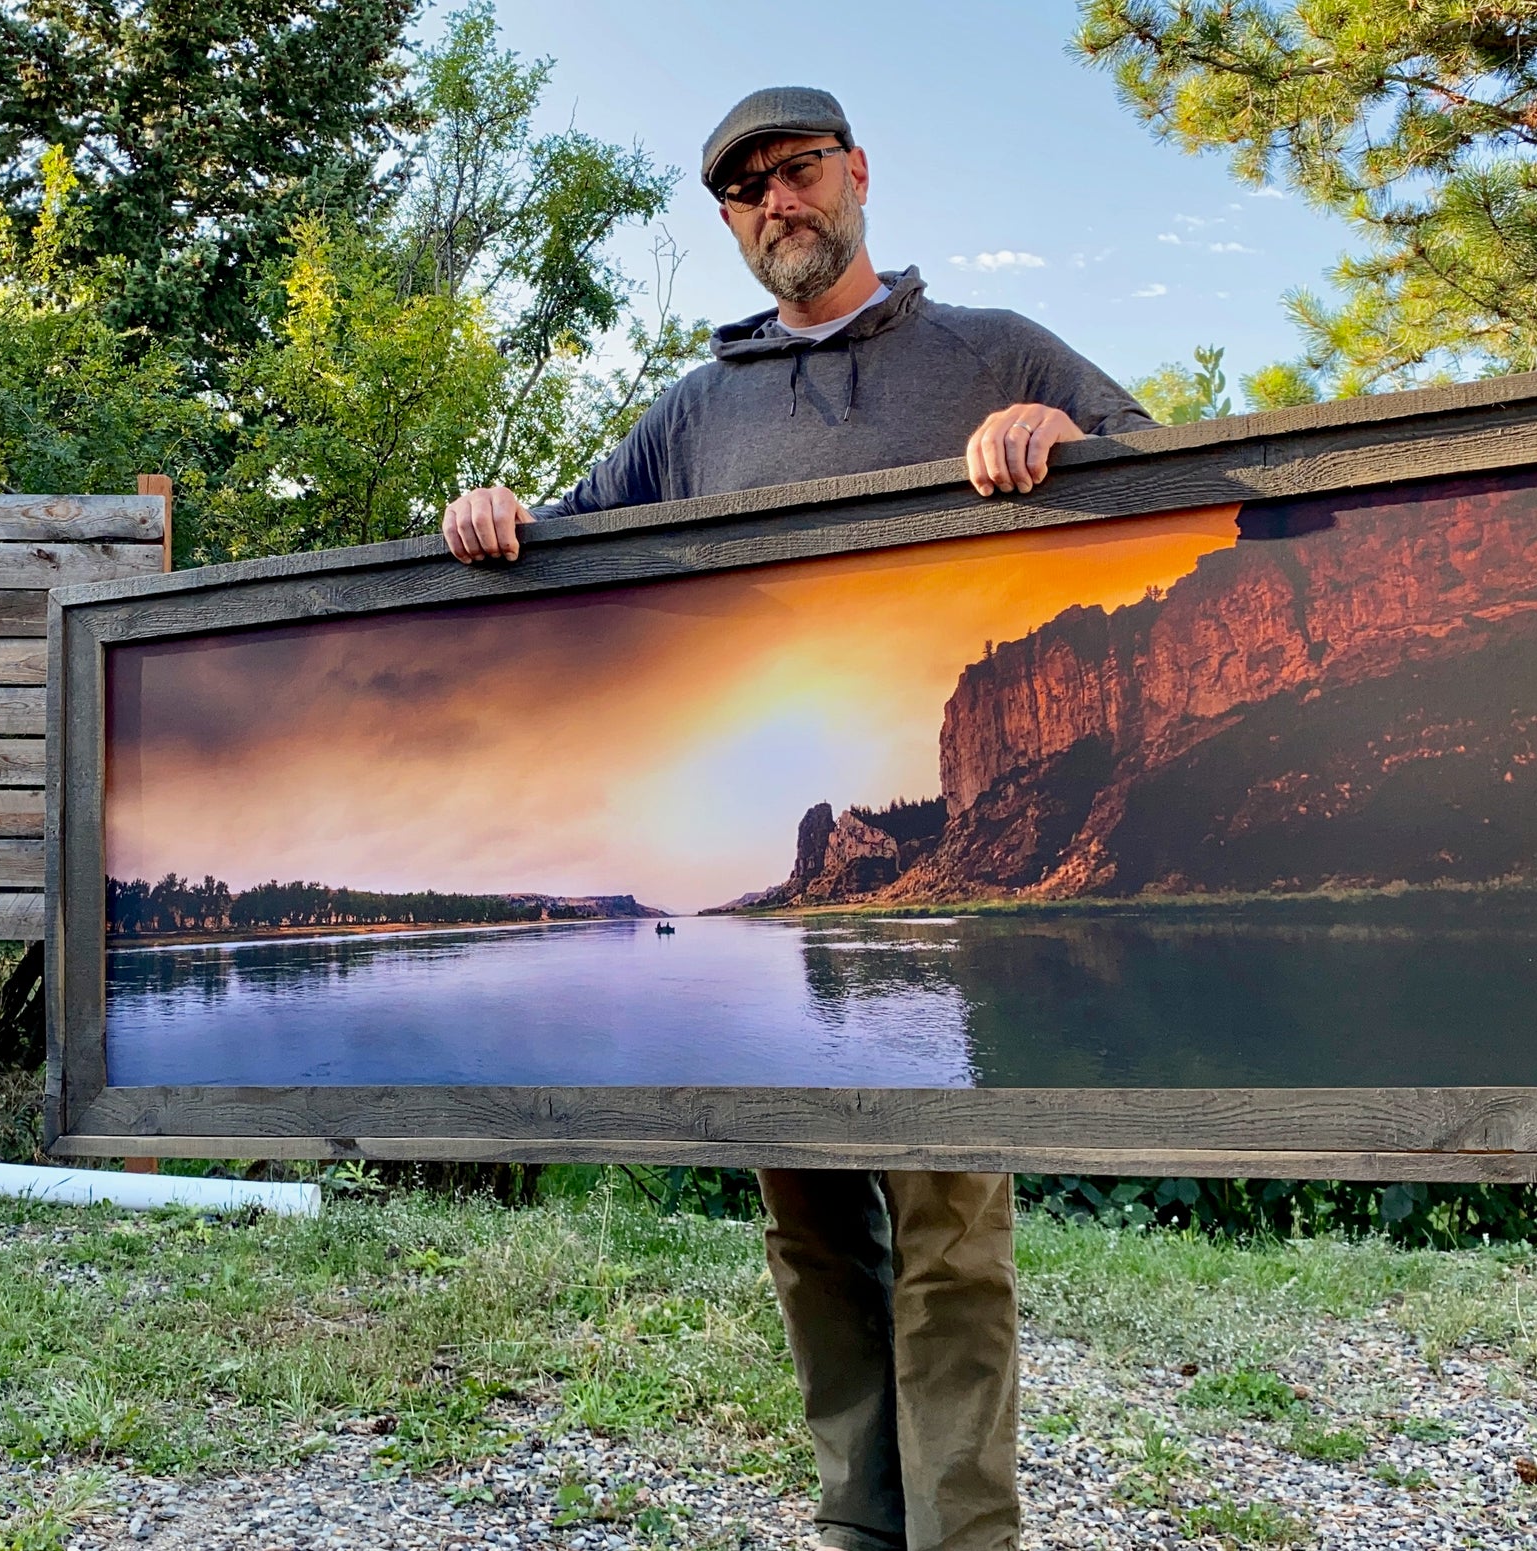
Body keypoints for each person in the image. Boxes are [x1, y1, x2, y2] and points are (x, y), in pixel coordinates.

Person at [444, 87, 1155, 1551]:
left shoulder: (993, 350)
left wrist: (1059, 435)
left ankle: (967, 1538)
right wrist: (493, 519)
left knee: (954, 1243)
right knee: (810, 1235)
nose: (781, 201)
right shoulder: (694, 411)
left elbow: (1168, 469)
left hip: (949, 869)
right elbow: (575, 560)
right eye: (749, 188)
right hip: (781, 849)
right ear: (729, 222)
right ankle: (857, 1529)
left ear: (859, 175)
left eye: (801, 170)